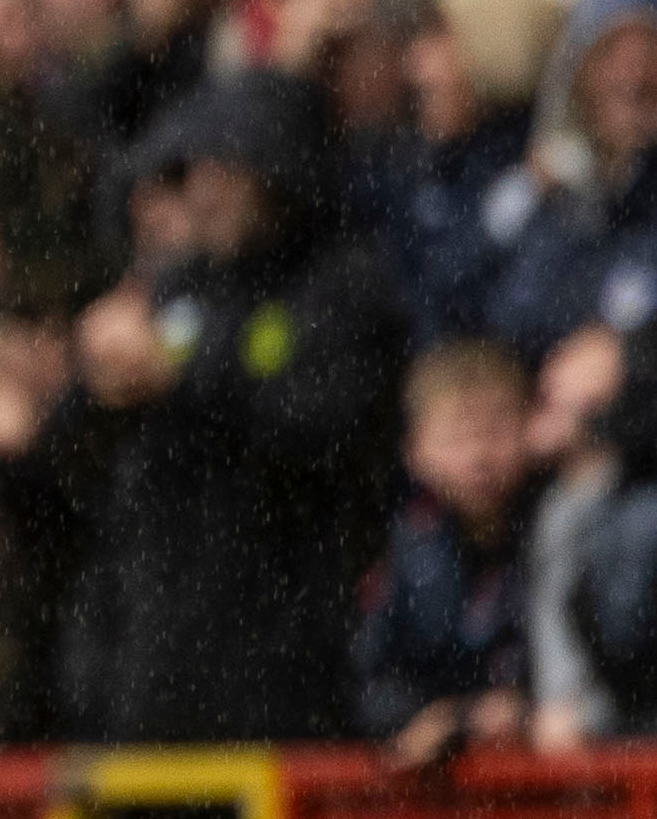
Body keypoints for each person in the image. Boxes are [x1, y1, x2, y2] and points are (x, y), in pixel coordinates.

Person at [66, 73, 410, 743]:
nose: (203, 192)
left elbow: (323, 428)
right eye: (192, 172)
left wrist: (181, 377)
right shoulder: (170, 289)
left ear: (279, 174)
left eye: (227, 170)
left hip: (281, 674)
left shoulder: (341, 290)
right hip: (153, 677)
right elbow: (91, 463)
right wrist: (88, 388)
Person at [356, 338, 554, 759]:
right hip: (442, 789)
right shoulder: (404, 548)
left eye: (496, 432)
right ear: (415, 451)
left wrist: (523, 708)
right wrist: (443, 719)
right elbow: (369, 681)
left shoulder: (559, 527)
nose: (479, 456)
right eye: (458, 437)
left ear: (535, 428)